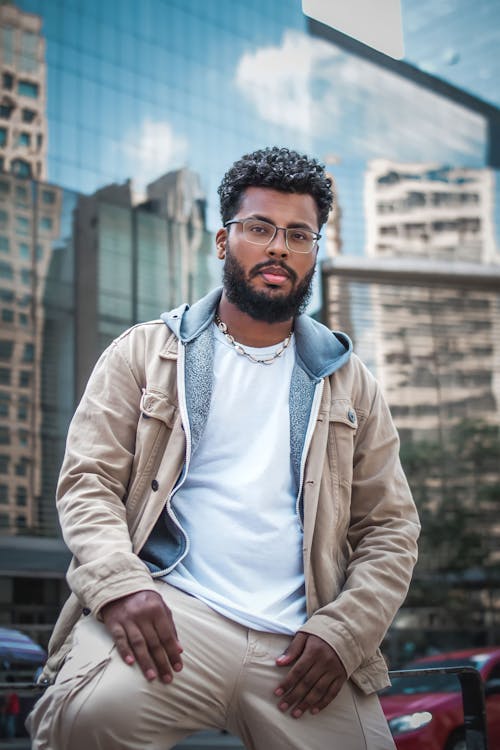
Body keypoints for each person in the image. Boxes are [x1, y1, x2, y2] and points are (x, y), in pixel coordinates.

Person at [28, 146, 420, 750]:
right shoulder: (145, 352)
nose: (278, 248)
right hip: (172, 612)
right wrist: (121, 586)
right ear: (222, 240)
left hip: (301, 641)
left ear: (314, 251)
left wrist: (345, 632)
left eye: (298, 234)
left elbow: (390, 530)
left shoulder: (351, 382)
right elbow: (89, 483)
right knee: (85, 721)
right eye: (259, 228)